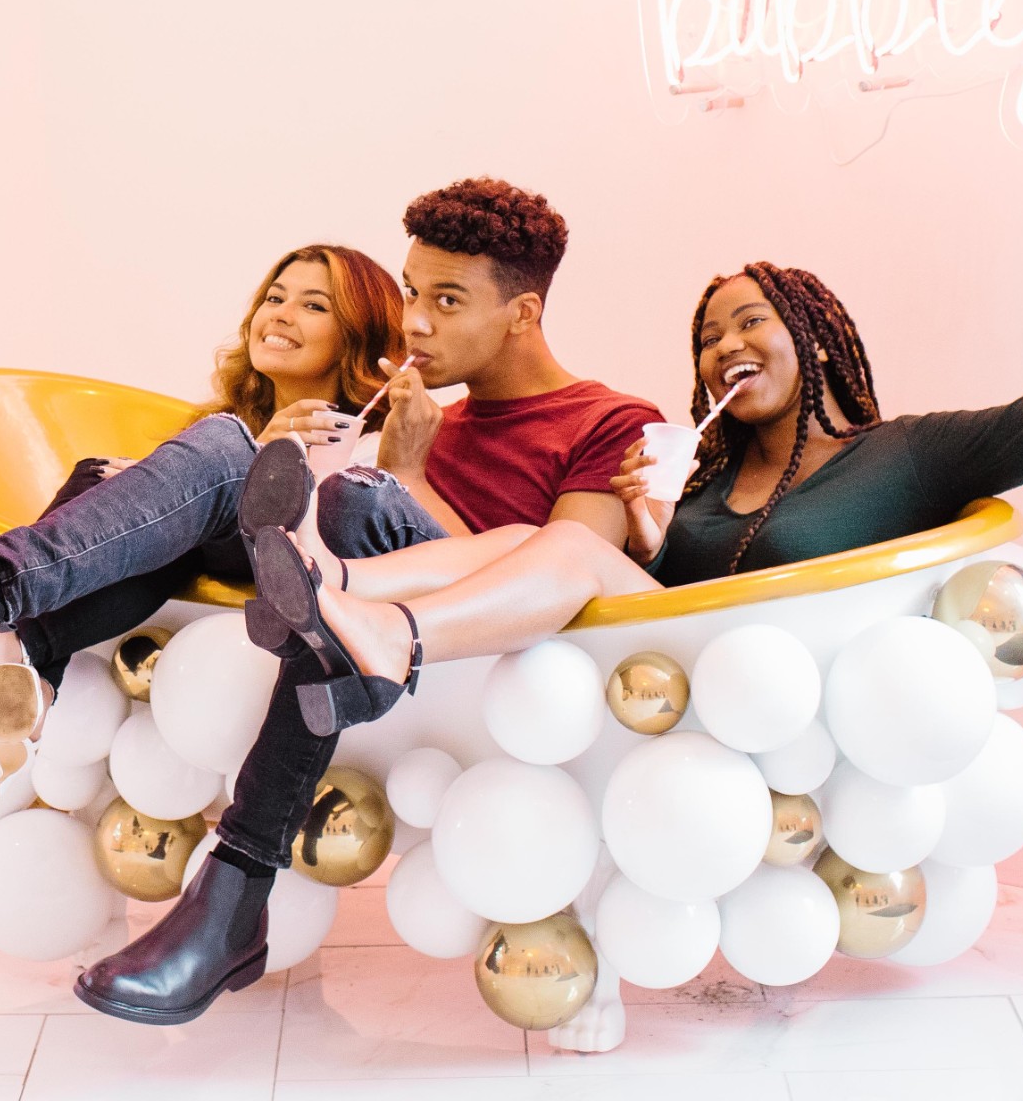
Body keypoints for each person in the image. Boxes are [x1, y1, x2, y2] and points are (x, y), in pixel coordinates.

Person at [262, 173, 1023, 721]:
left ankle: (388, 626)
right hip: (663, 685)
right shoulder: (697, 476)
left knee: (562, 542)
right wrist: (651, 532)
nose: (726, 345)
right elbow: (646, 593)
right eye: (708, 334)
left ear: (816, 334)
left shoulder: (909, 456)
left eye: (752, 321)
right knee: (552, 538)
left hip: (781, 704)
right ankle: (333, 588)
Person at [70, 180, 666, 1025]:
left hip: (500, 685)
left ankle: (232, 892)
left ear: (522, 314)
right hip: (358, 679)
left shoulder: (609, 420)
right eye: (412, 292)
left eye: (447, 300)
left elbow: (570, 581)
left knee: (352, 501)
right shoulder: (422, 418)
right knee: (179, 473)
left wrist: (408, 477)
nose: (413, 322)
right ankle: (16, 626)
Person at [0, 242, 406, 737]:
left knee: (219, 449)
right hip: (208, 545)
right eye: (274, 297)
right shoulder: (228, 423)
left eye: (313, 306)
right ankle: (28, 664)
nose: (281, 314)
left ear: (357, 334)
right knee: (101, 473)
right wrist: (156, 485)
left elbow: (350, 524)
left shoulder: (376, 434)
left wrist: (261, 459)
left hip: (293, 570)